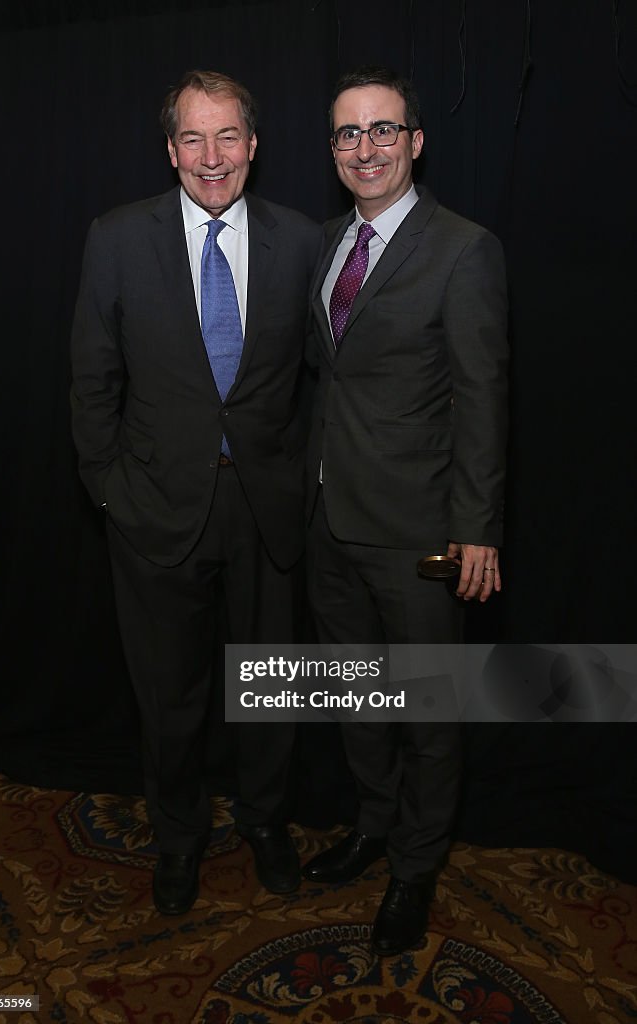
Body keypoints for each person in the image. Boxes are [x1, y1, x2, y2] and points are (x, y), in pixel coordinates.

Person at [71, 70, 320, 916]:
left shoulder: (300, 240)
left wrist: (305, 475)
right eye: (192, 138)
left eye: (226, 138)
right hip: (154, 512)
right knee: (168, 698)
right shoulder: (115, 238)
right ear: (169, 149)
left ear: (253, 145)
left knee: (267, 687)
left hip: (266, 510)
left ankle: (265, 823)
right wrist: (110, 489)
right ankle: (177, 839)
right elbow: (91, 377)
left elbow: (326, 380)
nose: (210, 158)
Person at [302, 66, 508, 956]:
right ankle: (374, 826)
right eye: (349, 133)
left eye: (382, 130)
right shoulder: (321, 244)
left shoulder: (464, 248)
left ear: (415, 142)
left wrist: (476, 529)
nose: (365, 148)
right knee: (358, 699)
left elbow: (481, 396)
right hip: (327, 524)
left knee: (425, 714)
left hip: (422, 533)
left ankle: (416, 869)